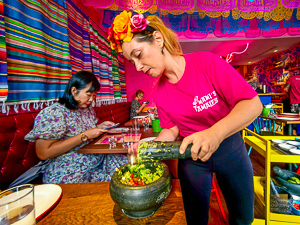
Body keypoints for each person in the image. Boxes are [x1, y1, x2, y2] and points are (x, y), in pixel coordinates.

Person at [108, 11, 262, 225]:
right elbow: (171, 129)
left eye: (139, 55)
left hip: (230, 150)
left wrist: (215, 133)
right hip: (191, 159)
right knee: (195, 218)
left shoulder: (207, 64)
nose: (138, 67)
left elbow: (253, 104)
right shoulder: (159, 91)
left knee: (243, 217)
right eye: (131, 61)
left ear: (158, 39)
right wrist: (148, 148)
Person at [25, 71, 128, 184]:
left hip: (97, 159)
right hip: (69, 169)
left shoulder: (86, 110)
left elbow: (84, 129)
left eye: (94, 95)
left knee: (133, 165)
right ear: (73, 90)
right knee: (122, 181)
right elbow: (43, 153)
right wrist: (84, 136)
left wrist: (99, 126)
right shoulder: (54, 113)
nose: (91, 99)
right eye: (88, 95)